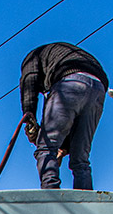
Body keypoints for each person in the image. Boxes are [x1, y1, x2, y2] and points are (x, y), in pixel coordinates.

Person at [20, 42, 108, 190]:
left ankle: (52, 194)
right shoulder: (54, 56)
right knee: (81, 158)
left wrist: (30, 118)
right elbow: (70, 118)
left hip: (69, 80)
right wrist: (64, 148)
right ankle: (86, 201)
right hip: (98, 87)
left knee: (46, 148)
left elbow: (29, 82)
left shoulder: (32, 57)